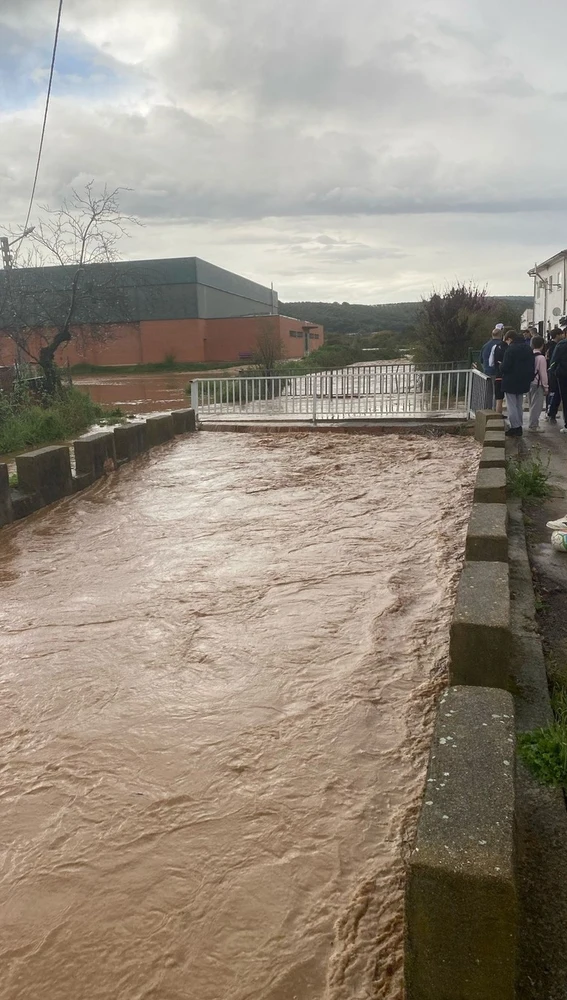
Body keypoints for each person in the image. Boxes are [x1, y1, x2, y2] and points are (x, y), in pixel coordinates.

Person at [501, 331, 535, 436]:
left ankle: (514, 427)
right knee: (519, 405)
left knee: (511, 405)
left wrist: (500, 366)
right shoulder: (528, 348)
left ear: (509, 339)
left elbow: (506, 367)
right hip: (524, 380)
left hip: (510, 381)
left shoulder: (510, 349)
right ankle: (519, 425)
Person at [480, 324, 505, 409]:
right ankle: (495, 410)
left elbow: (481, 360)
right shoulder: (501, 345)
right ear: (501, 335)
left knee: (488, 393)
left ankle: (488, 409)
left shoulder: (485, 346)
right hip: (497, 372)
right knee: (497, 393)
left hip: (487, 371)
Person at [528, 336, 548, 431]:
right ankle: (533, 425)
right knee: (537, 405)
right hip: (538, 383)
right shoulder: (541, 358)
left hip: (529, 382)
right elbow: (543, 373)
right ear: (542, 345)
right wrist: (546, 386)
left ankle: (532, 423)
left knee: (531, 404)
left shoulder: (529, 355)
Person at [547, 328, 567, 422]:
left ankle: (552, 413)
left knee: (560, 395)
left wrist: (552, 372)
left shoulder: (561, 345)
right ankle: (551, 412)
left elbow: (554, 361)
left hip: (562, 374)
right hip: (560, 373)